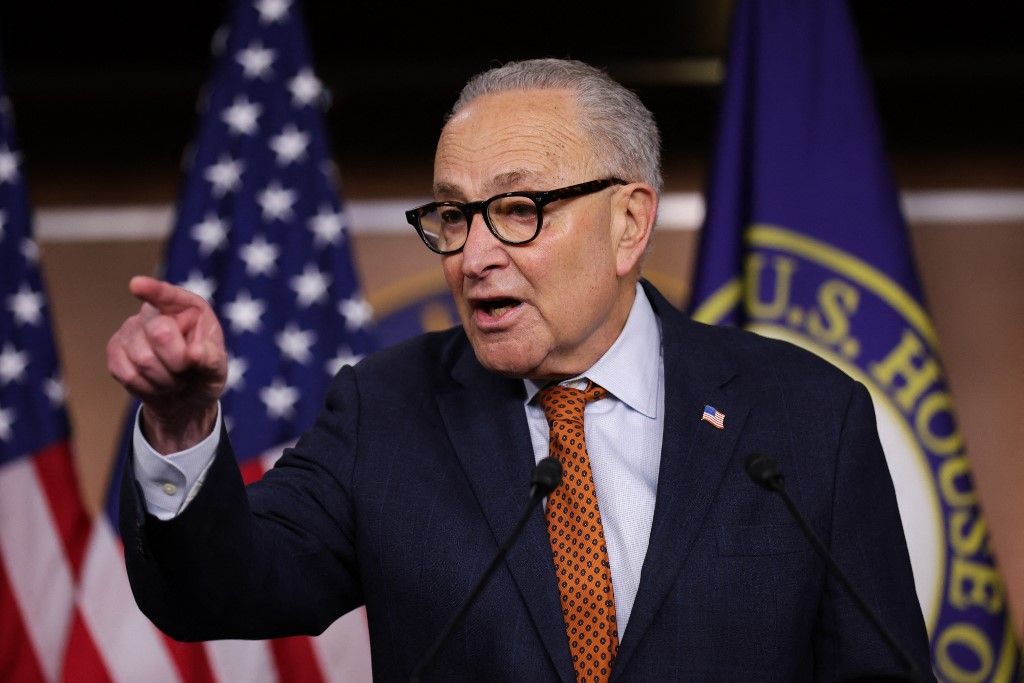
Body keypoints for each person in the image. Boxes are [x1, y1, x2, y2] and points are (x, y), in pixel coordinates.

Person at [109, 58, 933, 681]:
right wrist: (180, 428)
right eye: (453, 215)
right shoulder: (386, 410)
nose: (474, 256)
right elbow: (216, 589)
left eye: (517, 210)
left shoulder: (805, 416)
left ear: (628, 223)